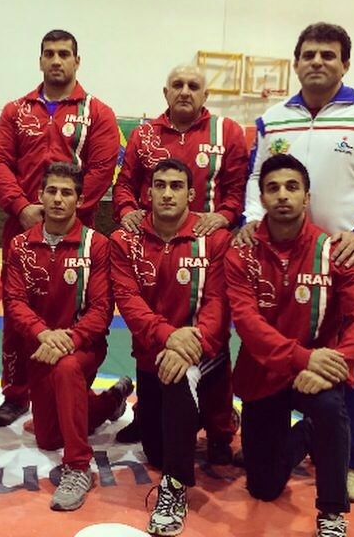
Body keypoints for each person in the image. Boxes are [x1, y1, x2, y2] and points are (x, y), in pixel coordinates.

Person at [238, 22, 354, 501]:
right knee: (275, 353)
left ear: (345, 63)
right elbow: (256, 179)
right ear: (296, 63)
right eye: (309, 54)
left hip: (348, 263)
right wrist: (252, 222)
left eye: (328, 55)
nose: (317, 62)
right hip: (279, 265)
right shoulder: (272, 120)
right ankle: (289, 438)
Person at [226, 154, 354, 537]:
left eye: (292, 187)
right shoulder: (242, 252)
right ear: (262, 198)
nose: (283, 195)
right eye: (273, 188)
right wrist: (304, 359)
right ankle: (307, 435)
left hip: (317, 375)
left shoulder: (335, 251)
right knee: (263, 488)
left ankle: (332, 511)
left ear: (307, 197)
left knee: (330, 407)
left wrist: (337, 362)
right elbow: (247, 324)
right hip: (265, 374)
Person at [112, 64, 248, 455]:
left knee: (212, 330)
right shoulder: (144, 134)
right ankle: (147, 413)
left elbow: (238, 189)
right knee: (150, 323)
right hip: (153, 241)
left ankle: (220, 427)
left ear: (206, 95)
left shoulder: (228, 132)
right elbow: (125, 185)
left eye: (193, 85)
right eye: (177, 85)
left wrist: (224, 216)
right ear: (165, 92)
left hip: (206, 244)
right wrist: (127, 212)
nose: (185, 91)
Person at [0, 29, 119, 428]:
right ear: (40, 60)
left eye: (64, 54)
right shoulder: (15, 111)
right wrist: (22, 207)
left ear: (77, 61)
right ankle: (15, 394)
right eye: (49, 53)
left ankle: (80, 388)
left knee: (74, 311)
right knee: (18, 313)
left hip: (77, 236)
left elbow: (101, 170)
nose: (57, 60)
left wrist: (65, 213)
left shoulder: (98, 113)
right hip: (22, 229)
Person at [110, 158, 232, 536]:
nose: (166, 193)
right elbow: (129, 301)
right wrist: (167, 337)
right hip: (153, 356)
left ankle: (174, 489)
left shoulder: (215, 239)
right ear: (147, 193)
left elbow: (218, 302)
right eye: (159, 185)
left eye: (176, 186)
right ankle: (204, 415)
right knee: (156, 452)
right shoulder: (123, 241)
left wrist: (187, 345)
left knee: (180, 378)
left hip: (202, 351)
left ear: (191, 194)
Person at [4, 162, 132, 511]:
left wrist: (70, 340)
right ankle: (110, 402)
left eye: (66, 193)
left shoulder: (97, 245)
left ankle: (78, 466)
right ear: (40, 196)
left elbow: (102, 310)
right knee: (48, 438)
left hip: (83, 347)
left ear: (80, 199)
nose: (58, 199)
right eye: (52, 191)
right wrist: (44, 334)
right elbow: (14, 302)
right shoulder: (19, 246)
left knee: (67, 370)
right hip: (40, 348)